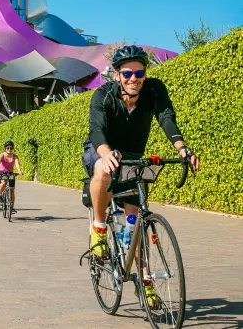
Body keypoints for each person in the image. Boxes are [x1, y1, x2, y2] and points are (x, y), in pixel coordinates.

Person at [82, 45, 200, 307]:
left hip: (133, 155)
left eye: (139, 72)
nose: (133, 78)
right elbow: (97, 129)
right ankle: (99, 229)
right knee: (103, 168)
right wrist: (106, 152)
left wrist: (183, 149)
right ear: (117, 75)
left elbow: (166, 118)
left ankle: (145, 282)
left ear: (145, 74)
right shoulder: (102, 95)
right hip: (100, 149)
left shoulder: (154, 90)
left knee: (136, 222)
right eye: (127, 74)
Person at [0, 140, 22, 213]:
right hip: (2, 172)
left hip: (10, 173)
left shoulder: (15, 156)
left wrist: (19, 171)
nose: (9, 149)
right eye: (7, 148)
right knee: (3, 183)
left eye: (11, 148)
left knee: (12, 189)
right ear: (5, 148)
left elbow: (17, 164)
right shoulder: (1, 155)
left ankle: (12, 207)